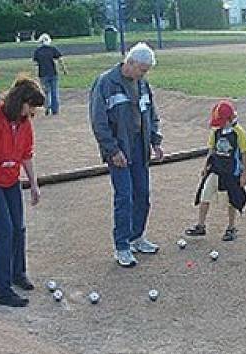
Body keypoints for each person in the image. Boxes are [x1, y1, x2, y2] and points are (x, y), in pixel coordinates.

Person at [0, 77, 45, 307]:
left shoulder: (24, 122)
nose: (32, 112)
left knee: (19, 228)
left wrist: (33, 184)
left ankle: (17, 273)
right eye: (31, 106)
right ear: (20, 101)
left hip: (11, 180)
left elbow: (26, 154)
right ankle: (2, 291)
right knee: (4, 231)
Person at [89, 42, 164, 268]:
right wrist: (112, 150)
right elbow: (98, 122)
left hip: (140, 149)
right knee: (124, 197)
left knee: (142, 194)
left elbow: (151, 113)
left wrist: (155, 141)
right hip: (119, 151)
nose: (143, 74)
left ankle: (136, 237)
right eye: (142, 69)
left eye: (146, 71)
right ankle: (122, 246)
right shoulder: (105, 83)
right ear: (129, 63)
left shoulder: (142, 84)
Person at [185, 101, 246, 241]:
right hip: (215, 170)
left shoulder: (239, 133)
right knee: (204, 195)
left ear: (229, 119)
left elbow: (244, 153)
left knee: (232, 200)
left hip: (232, 172)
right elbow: (211, 150)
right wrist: (205, 167)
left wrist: (244, 175)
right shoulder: (216, 132)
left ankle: (231, 227)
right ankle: (200, 225)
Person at [33, 33, 68, 116]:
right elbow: (60, 60)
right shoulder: (52, 49)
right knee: (54, 92)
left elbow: (35, 64)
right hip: (53, 73)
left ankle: (47, 107)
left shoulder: (38, 51)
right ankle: (55, 110)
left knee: (45, 92)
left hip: (42, 74)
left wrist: (36, 75)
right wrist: (64, 69)